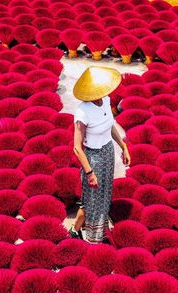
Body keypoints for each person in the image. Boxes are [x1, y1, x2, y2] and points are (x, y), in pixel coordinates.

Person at [71, 66, 131, 243]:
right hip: (92, 158)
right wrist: (89, 173)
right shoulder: (82, 112)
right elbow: (77, 147)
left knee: (105, 195)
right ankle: (74, 230)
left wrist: (123, 146)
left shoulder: (105, 100)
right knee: (90, 201)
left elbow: (110, 125)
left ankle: (98, 232)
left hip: (107, 154)